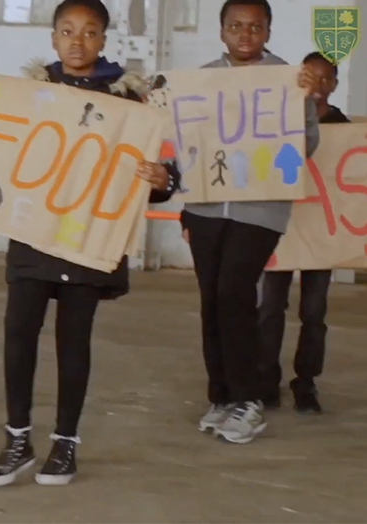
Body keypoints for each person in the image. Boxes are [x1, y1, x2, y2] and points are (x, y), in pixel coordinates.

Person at [0, 0, 181, 487]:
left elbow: (163, 172)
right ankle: (18, 439)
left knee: (73, 341)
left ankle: (65, 444)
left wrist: (162, 178)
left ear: (104, 39)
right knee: (19, 335)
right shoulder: (29, 93)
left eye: (90, 32)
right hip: (35, 236)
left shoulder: (130, 100)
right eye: (67, 31)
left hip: (88, 241)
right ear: (53, 38)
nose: (78, 41)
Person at [180, 0, 320, 444]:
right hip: (205, 207)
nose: (245, 35)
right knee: (210, 299)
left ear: (268, 31)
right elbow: (185, 143)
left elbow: (307, 143)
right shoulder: (201, 79)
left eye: (255, 27)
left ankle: (249, 400)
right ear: (222, 31)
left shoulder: (288, 80)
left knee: (234, 292)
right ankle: (221, 396)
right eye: (236, 26)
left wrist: (299, 106)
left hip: (260, 209)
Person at [258, 51, 350, 414]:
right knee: (269, 307)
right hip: (281, 225)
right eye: (312, 76)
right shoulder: (282, 117)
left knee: (314, 311)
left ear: (335, 85)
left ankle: (306, 381)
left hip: (322, 232)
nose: (319, 84)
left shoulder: (345, 128)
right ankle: (266, 378)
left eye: (326, 78)